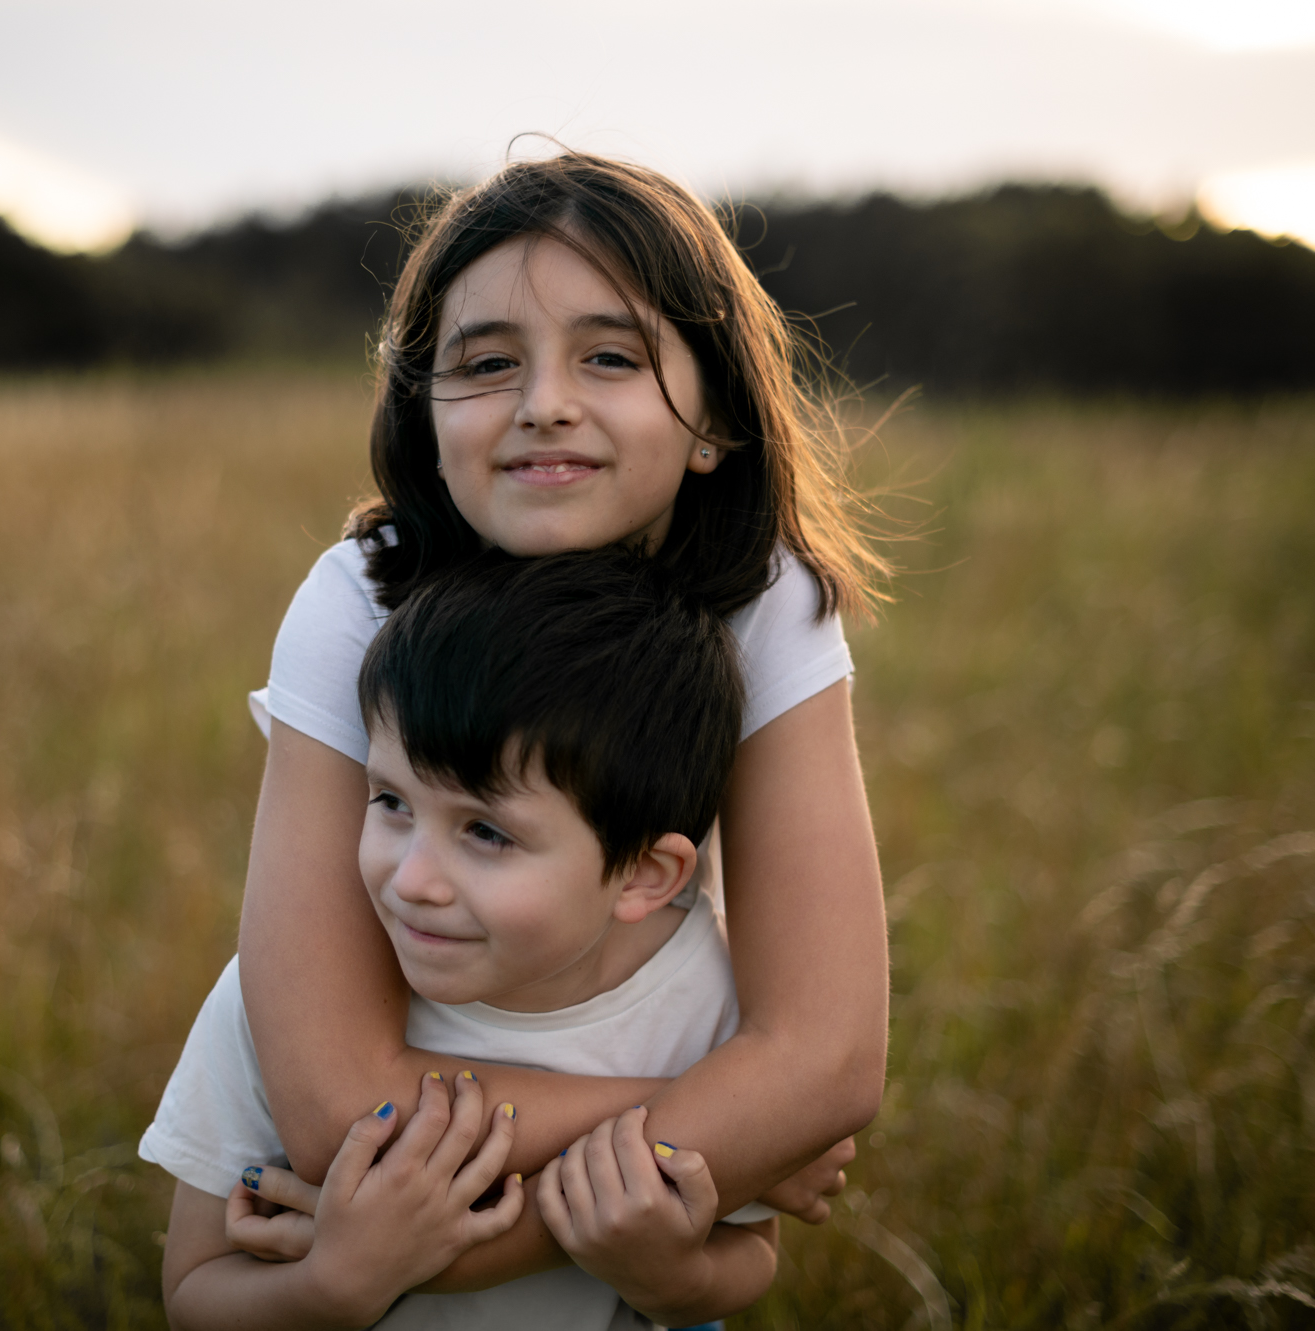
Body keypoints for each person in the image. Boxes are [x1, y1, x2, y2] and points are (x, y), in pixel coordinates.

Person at [236, 152, 890, 1290]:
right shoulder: (359, 597)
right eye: (486, 362)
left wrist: (431, 1249)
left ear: (713, 420)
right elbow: (340, 1105)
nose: (544, 400)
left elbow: (826, 1062)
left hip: (607, 1139)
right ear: (424, 409)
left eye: (609, 356)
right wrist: (722, 1123)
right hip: (571, 1093)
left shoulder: (762, 601)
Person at [144, 548, 783, 1328]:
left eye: (484, 830)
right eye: (390, 800)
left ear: (645, 874)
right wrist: (334, 1286)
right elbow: (194, 1291)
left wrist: (670, 1276)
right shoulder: (282, 1001)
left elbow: (754, 1249)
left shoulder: (709, 1005)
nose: (412, 878)